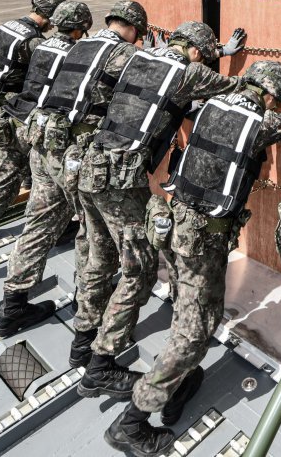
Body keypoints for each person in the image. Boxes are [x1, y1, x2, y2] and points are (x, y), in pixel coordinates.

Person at [103, 59, 281, 454]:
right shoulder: (260, 123)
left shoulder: (212, 106)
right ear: (269, 95)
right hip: (203, 241)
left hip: (179, 227)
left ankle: (179, 385)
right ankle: (131, 421)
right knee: (193, 331)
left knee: (194, 310)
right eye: (275, 100)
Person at [72, 21, 249, 399]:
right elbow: (238, 91)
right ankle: (100, 365)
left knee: (99, 254)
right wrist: (227, 58)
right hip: (120, 181)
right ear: (197, 52)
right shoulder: (187, 71)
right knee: (139, 270)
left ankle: (83, 341)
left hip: (92, 165)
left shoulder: (136, 56)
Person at [0, 0, 148, 337]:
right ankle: (87, 306)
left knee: (38, 223)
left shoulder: (76, 46)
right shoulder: (124, 54)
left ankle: (12, 307)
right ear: (134, 30)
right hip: (73, 156)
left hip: (42, 145)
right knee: (90, 231)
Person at [0, 0, 91, 286]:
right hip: (36, 127)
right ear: (78, 29)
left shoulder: (41, 44)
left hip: (14, 119)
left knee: (1, 187)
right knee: (57, 189)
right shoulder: (74, 53)